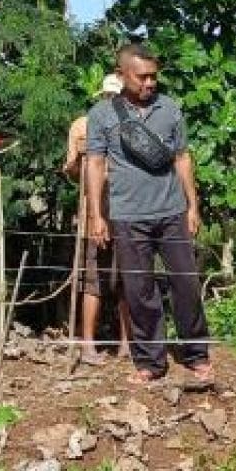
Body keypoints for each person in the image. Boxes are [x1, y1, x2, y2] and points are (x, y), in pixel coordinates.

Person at [84, 42, 213, 387]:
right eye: (142, 77)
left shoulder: (170, 109)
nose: (149, 83)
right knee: (140, 290)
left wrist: (192, 205)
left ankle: (196, 353)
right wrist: (97, 215)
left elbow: (182, 158)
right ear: (121, 75)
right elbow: (95, 163)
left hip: (172, 212)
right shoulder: (101, 115)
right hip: (127, 215)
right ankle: (150, 361)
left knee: (186, 284)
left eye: (154, 76)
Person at [64, 74, 130, 364]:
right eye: (107, 96)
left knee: (129, 280)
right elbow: (72, 172)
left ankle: (128, 344)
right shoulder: (82, 126)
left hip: (128, 213)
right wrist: (78, 159)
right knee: (92, 281)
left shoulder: (134, 126)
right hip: (95, 214)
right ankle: (88, 345)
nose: (110, 101)